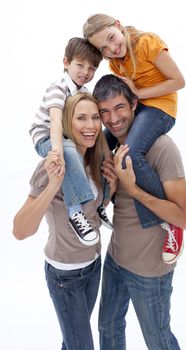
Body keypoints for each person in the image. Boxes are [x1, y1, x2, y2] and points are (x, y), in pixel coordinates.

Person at [92, 74, 186, 349]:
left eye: (119, 107)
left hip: (150, 269)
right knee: (108, 328)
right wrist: (112, 188)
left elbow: (184, 218)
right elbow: (114, 207)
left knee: (157, 340)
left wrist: (134, 189)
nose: (113, 118)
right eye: (105, 112)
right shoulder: (109, 147)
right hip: (116, 258)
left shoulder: (162, 148)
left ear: (134, 103)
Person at [13, 92, 116, 350]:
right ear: (68, 123)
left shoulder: (94, 159)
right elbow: (20, 230)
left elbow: (94, 212)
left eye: (95, 118)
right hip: (64, 275)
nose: (91, 126)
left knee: (72, 342)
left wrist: (111, 189)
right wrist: (53, 186)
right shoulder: (53, 165)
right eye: (81, 118)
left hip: (93, 265)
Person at [83, 14, 185, 263]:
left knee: (131, 152)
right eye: (103, 49)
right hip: (139, 109)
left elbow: (178, 81)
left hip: (161, 109)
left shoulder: (147, 43)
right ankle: (101, 203)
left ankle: (169, 221)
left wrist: (139, 92)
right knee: (99, 146)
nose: (111, 49)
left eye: (111, 38)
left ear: (118, 25)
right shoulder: (115, 62)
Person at [29, 37, 112, 248]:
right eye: (80, 65)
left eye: (92, 68)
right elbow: (56, 121)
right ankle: (76, 212)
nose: (85, 72)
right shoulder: (57, 89)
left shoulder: (84, 93)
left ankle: (99, 205)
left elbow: (90, 120)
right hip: (46, 136)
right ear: (66, 62)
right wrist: (58, 152)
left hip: (65, 136)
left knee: (100, 146)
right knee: (69, 151)